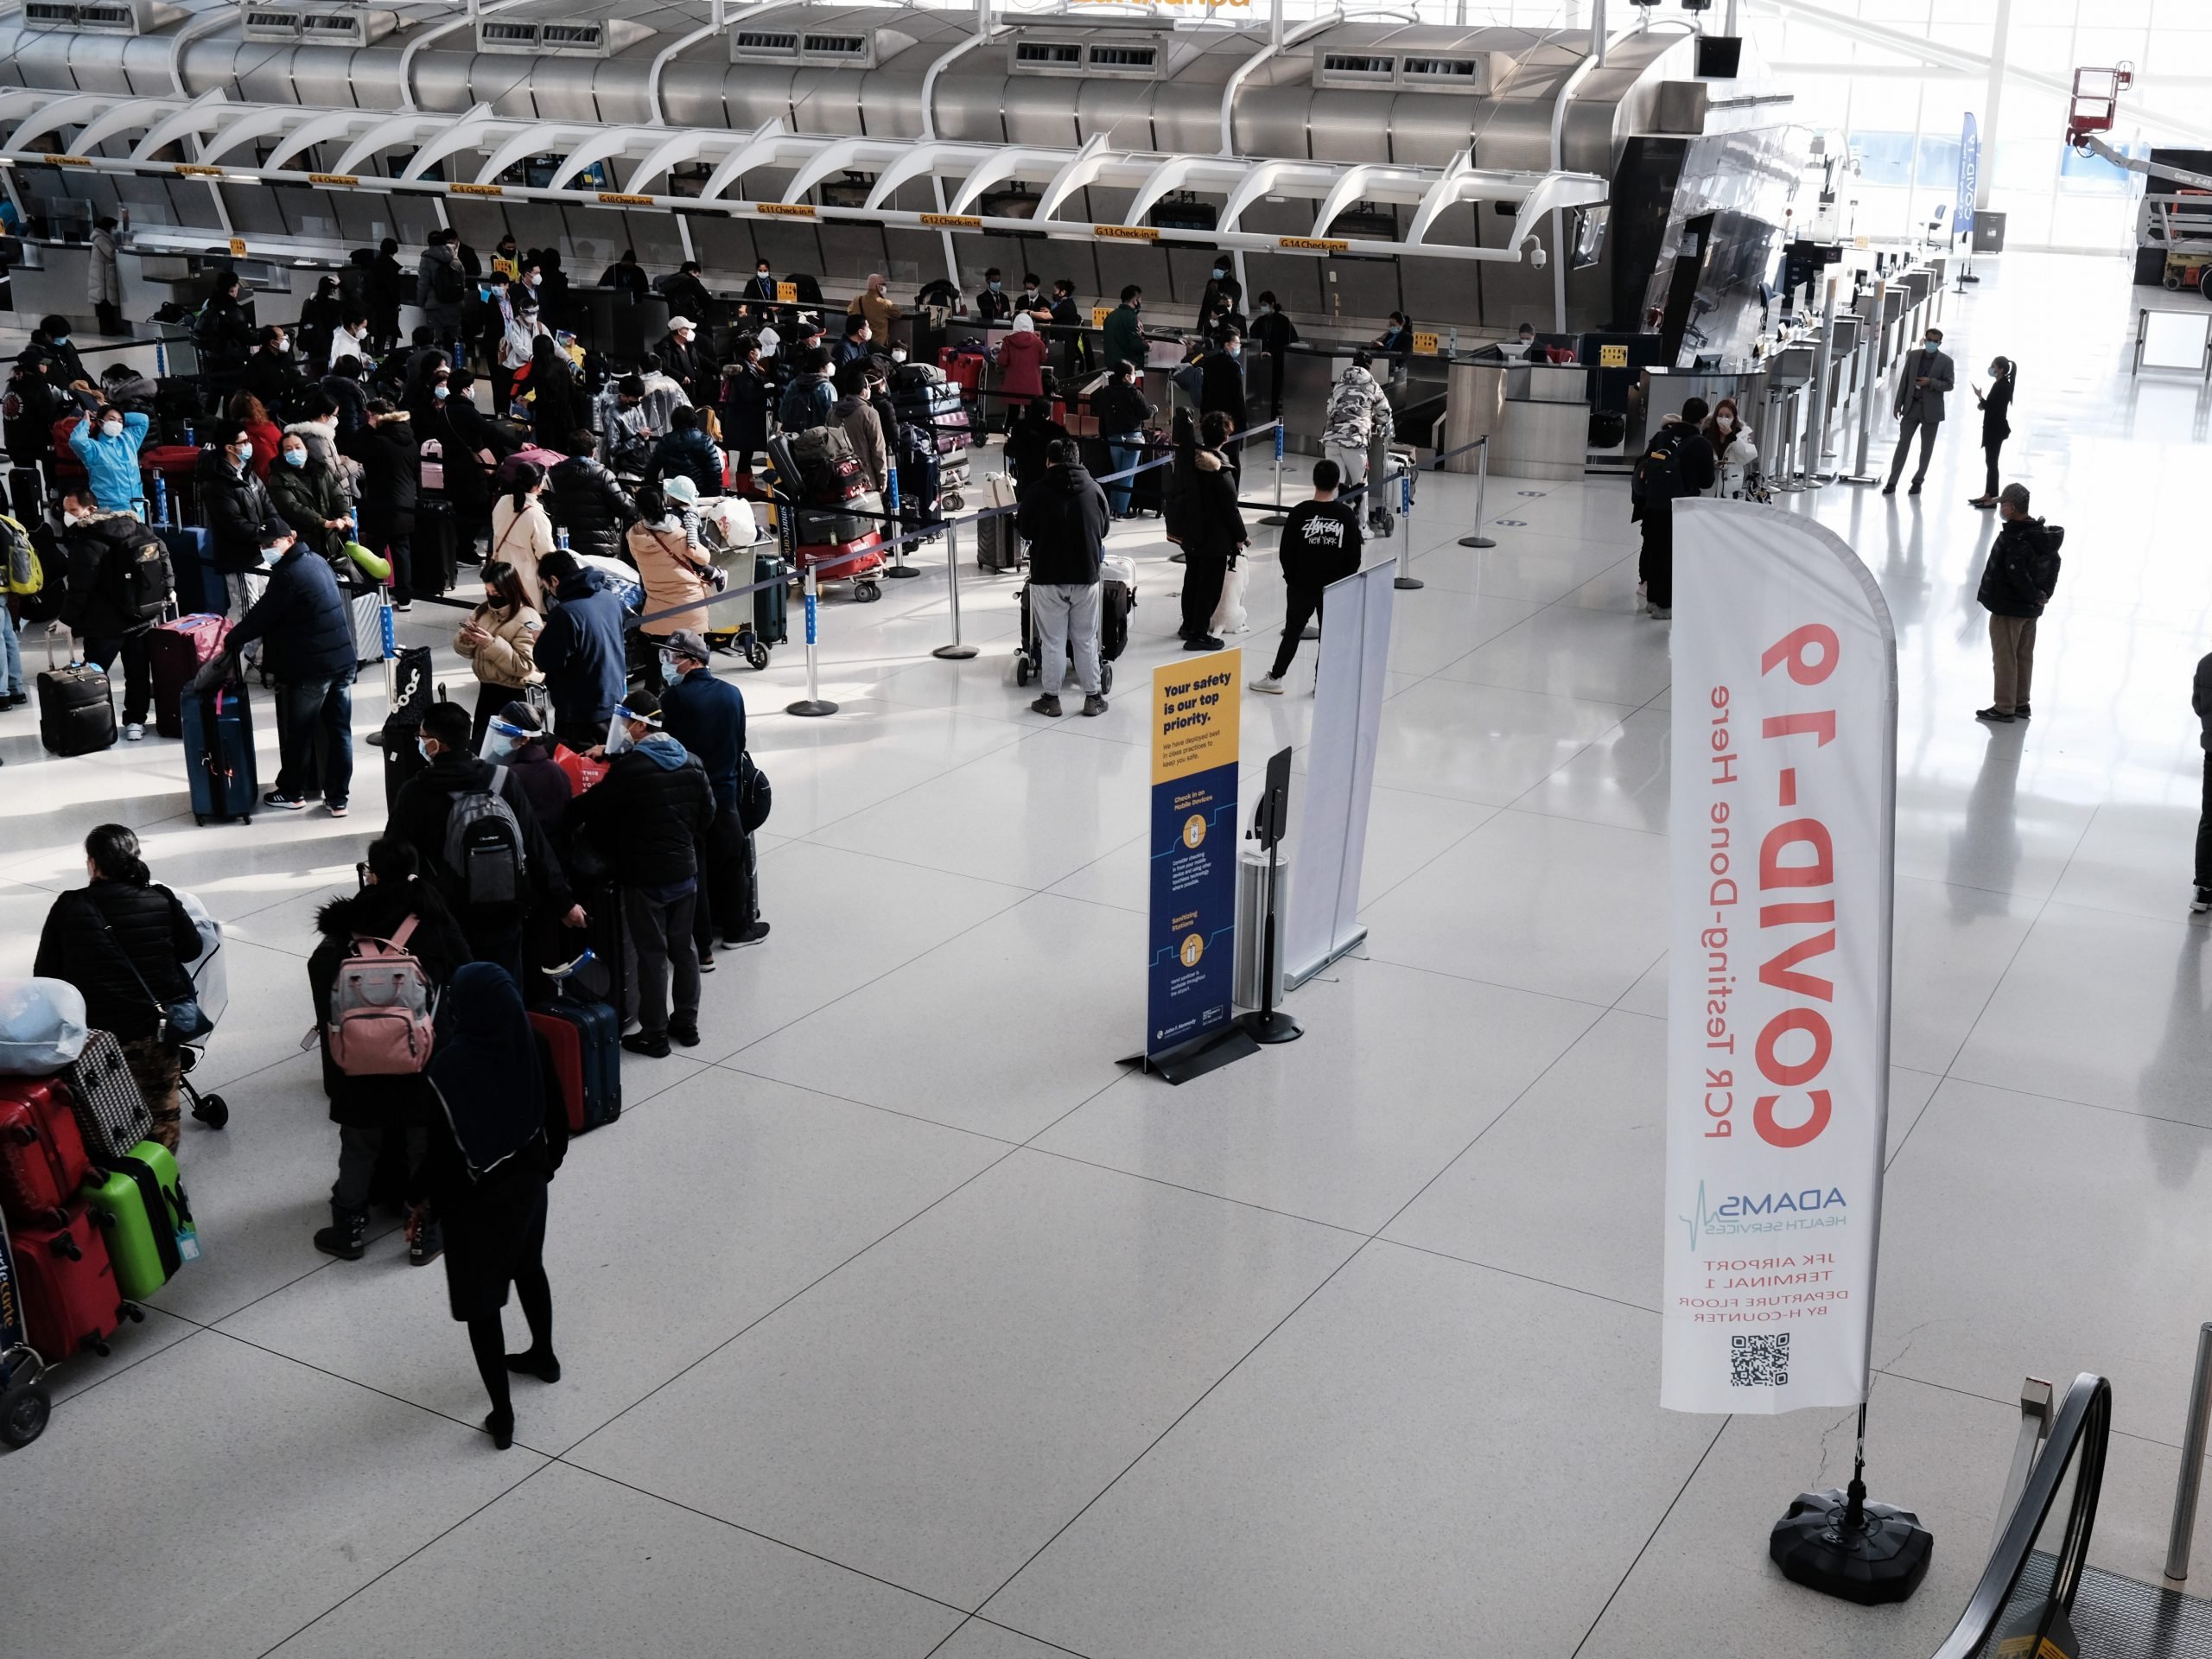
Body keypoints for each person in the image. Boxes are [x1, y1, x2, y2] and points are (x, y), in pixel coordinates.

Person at [417, 960, 565, 1448]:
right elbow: (556, 1118)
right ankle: (543, 1355)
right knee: (530, 1267)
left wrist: (425, 1208)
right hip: (529, 1183)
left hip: (474, 1203)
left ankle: (502, 1416)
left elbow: (440, 1156)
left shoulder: (449, 1068)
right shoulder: (532, 1040)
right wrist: (544, 1167)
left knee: (483, 1307)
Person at [307, 835, 474, 1264]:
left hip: (358, 1057)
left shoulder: (346, 923)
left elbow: (324, 975)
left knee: (359, 1143)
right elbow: (465, 966)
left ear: (373, 872)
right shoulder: (434, 918)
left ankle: (349, 1228)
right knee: (423, 1141)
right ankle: (424, 1232)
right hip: (420, 1053)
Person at [34, 825, 205, 1154]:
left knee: (104, 1117)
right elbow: (191, 950)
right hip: (157, 1029)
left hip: (97, 1036)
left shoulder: (68, 906)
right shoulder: (162, 898)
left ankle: (120, 1179)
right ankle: (161, 1181)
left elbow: (47, 977)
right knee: (162, 1113)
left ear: (93, 864)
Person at [390, 700, 584, 984]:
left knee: (456, 991)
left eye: (422, 737)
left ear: (435, 744)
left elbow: (395, 854)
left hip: (447, 914)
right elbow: (535, 845)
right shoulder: (503, 779)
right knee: (505, 987)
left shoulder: (415, 791)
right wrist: (564, 902)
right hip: (503, 908)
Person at [569, 688, 715, 1057]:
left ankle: (655, 1034)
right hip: (685, 872)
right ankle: (688, 1023)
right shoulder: (693, 762)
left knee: (651, 956)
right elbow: (706, 816)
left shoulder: (630, 770)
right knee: (684, 950)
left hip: (645, 878)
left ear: (636, 725)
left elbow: (595, 812)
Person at [226, 515, 354, 812]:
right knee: (339, 732)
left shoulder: (287, 574)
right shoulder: (317, 560)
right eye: (263, 545)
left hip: (314, 668)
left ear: (290, 539)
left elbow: (262, 616)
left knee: (299, 730)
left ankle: (292, 791)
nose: (267, 549)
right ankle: (338, 799)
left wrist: (232, 638)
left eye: (272, 543)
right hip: (342, 659)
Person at [658, 631, 769, 957]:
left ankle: (703, 945)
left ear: (693, 661)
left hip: (689, 799)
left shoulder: (673, 700)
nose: (667, 664)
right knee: (732, 864)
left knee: (698, 868)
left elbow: (669, 746)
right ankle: (737, 929)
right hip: (726, 792)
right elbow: (740, 742)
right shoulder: (732, 694)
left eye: (672, 658)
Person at [56, 491, 165, 741]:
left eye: (72, 511)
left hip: (104, 623)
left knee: (93, 675)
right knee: (137, 672)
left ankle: (95, 723)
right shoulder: (137, 527)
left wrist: (67, 619)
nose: (67, 517)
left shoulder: (87, 541)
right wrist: (168, 590)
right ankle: (136, 722)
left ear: (91, 509)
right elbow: (163, 557)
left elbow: (79, 587)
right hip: (141, 617)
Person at [1015, 439, 1110, 718]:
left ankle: (1051, 699)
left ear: (1049, 461)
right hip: (1087, 576)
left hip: (1048, 577)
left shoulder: (1037, 492)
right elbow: (1103, 529)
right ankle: (1093, 697)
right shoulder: (1094, 489)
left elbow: (1024, 529)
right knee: (1085, 639)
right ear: (1078, 460)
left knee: (1053, 641)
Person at [1253, 459, 1363, 695]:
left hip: (1301, 586)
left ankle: (1276, 677)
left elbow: (1286, 552)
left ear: (1314, 481)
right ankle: (1322, 684)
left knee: (1293, 631)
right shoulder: (1345, 516)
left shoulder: (1300, 512)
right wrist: (1343, 583)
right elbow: (1354, 557)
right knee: (1330, 636)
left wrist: (1292, 579)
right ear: (1337, 483)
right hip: (1334, 589)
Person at [1975, 482, 2062, 724]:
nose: (2001, 508)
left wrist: (2033, 593)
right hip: (2031, 610)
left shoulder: (2014, 538)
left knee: (2005, 657)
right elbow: (2054, 564)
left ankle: (2004, 707)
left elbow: (2016, 574)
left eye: (2003, 504)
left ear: (2011, 508)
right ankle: (2021, 702)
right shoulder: (2041, 536)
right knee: (2024, 655)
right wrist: (2043, 595)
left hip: (2008, 609)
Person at [1630, 396, 1717, 620]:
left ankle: (1651, 599)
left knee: (1654, 549)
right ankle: (1665, 605)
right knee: (1673, 554)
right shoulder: (1701, 445)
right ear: (1702, 419)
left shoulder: (1661, 436)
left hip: (1653, 502)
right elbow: (1707, 481)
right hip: (1681, 506)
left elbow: (1645, 464)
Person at [533, 550, 627, 751]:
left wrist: (541, 640)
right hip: (612, 697)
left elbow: (547, 662)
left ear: (554, 580)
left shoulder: (565, 612)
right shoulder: (609, 598)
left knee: (578, 769)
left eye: (546, 586)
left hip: (579, 710)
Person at [1170, 410, 1246, 652]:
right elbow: (1230, 510)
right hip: (1214, 538)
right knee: (1209, 586)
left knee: (1192, 579)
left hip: (1191, 532)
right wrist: (1241, 537)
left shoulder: (1190, 459)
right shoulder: (1220, 470)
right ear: (1225, 436)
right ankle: (1200, 633)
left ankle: (1188, 625)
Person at [455, 561, 543, 748]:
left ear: (510, 589)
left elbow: (525, 665)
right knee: (480, 746)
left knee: (505, 749)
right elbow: (462, 650)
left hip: (512, 695)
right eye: (488, 592)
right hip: (486, 690)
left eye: (496, 593)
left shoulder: (528, 618)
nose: (491, 598)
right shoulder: (482, 611)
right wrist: (466, 639)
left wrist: (491, 644)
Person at [344, 398, 421, 610]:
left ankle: (376, 592)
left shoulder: (379, 442)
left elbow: (353, 450)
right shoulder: (412, 441)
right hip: (406, 503)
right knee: (401, 550)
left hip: (382, 502)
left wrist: (368, 428)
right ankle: (405, 598)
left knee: (375, 550)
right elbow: (416, 473)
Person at [198, 423, 278, 622]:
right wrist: (266, 536)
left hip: (261, 553)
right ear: (229, 447)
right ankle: (238, 652)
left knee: (265, 606)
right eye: (244, 442)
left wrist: (279, 531)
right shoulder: (217, 483)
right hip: (239, 559)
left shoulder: (248, 474)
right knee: (245, 611)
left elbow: (268, 506)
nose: (249, 445)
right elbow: (234, 524)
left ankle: (258, 652)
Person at [268, 428, 356, 577]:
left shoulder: (321, 470)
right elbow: (292, 507)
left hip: (328, 539)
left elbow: (337, 495)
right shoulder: (278, 478)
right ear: (282, 454)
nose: (294, 452)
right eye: (288, 449)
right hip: (303, 539)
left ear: (306, 449)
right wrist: (324, 522)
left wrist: (345, 514)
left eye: (298, 447)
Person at [483, 700, 574, 843]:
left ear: (524, 739)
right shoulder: (557, 769)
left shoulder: (509, 776)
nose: (497, 737)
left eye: (504, 733)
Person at [1885, 324, 1955, 495]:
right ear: (1925, 339)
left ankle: (1918, 481)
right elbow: (1905, 380)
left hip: (1931, 411)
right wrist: (1897, 404)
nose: (1931, 344)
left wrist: (1930, 382)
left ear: (1940, 343)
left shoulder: (1946, 362)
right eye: (1929, 340)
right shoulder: (1914, 356)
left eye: (1935, 342)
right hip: (1911, 407)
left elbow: (1949, 385)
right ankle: (1892, 482)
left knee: (1926, 448)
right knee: (1903, 445)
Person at [545, 448, 636, 566]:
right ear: (593, 452)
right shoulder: (604, 475)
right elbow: (625, 509)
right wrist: (629, 498)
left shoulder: (553, 474)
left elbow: (549, 505)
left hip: (566, 545)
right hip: (601, 549)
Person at [488, 458, 557, 611]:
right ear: (538, 485)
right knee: (528, 623)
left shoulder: (503, 502)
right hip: (527, 581)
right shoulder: (537, 516)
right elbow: (546, 555)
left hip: (502, 574)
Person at [1322, 353, 1393, 498]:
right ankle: (1360, 520)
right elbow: (1385, 413)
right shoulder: (1372, 386)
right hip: (1355, 441)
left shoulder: (1339, 384)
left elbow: (1329, 409)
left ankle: (1334, 519)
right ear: (1370, 367)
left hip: (1331, 439)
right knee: (1359, 485)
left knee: (1334, 484)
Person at [67, 404, 149, 514]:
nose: (116, 424)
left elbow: (143, 420)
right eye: (112, 420)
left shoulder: (129, 439)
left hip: (137, 507)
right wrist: (86, 422)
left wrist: (116, 416)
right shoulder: (93, 448)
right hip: (111, 511)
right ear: (100, 423)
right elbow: (76, 441)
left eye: (120, 422)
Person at [1092, 359, 1149, 519]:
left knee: (1117, 474)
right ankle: (1122, 510)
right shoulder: (1134, 393)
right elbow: (1145, 413)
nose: (1134, 377)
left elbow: (1102, 417)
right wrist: (1153, 409)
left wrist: (1104, 435)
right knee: (1127, 476)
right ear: (1126, 377)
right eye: (1132, 374)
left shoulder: (1106, 393)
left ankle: (1112, 508)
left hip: (1113, 438)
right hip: (1133, 438)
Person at [1004, 376, 1071, 493]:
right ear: (1046, 414)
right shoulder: (1055, 430)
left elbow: (1009, 451)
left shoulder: (1019, 427)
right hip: (1050, 480)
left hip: (1025, 478)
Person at [646, 404, 726, 501]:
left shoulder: (665, 442)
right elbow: (715, 474)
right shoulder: (705, 441)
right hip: (699, 497)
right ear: (695, 421)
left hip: (673, 496)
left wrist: (659, 493)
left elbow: (651, 472)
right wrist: (712, 498)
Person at [718, 335, 771, 476]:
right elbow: (749, 395)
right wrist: (770, 390)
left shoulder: (743, 366)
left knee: (746, 453)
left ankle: (746, 483)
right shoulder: (744, 370)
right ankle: (744, 486)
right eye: (758, 350)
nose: (760, 353)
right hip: (744, 418)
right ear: (751, 352)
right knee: (746, 452)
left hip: (740, 417)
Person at [525, 335, 587, 453]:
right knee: (563, 451)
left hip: (547, 420)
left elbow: (542, 399)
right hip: (565, 416)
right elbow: (571, 390)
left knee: (548, 453)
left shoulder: (539, 369)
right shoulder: (562, 364)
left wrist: (529, 405)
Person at [1970, 356, 2017, 510]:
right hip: (1993, 428)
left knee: (1992, 463)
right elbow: (1992, 405)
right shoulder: (1999, 384)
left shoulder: (2002, 386)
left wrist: (1980, 397)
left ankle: (1991, 498)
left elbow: (1992, 407)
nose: (1991, 369)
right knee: (1990, 462)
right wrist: (1982, 403)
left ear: (2001, 369)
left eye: (1993, 366)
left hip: (1996, 429)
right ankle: (1988, 494)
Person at [193, 273, 256, 383]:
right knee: (232, 390)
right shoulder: (233, 310)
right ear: (232, 289)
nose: (238, 288)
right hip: (229, 357)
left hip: (212, 354)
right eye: (237, 285)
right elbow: (244, 336)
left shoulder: (210, 303)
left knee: (215, 391)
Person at [1248, 292, 1298, 417]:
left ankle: (1272, 417)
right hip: (1262, 363)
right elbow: (1253, 338)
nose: (1262, 308)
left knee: (1274, 393)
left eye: (1264, 305)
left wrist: (1272, 352)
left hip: (1277, 363)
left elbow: (1290, 341)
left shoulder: (1283, 321)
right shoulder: (1260, 322)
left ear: (1272, 304)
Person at [241, 325, 308, 418]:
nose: (286, 340)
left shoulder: (284, 357)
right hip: (268, 410)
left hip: (286, 405)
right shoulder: (257, 363)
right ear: (273, 342)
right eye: (282, 338)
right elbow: (252, 389)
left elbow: (291, 375)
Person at [995, 313, 1048, 429]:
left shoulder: (1008, 341)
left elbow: (1002, 362)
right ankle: (1031, 437)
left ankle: (1009, 435)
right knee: (1031, 412)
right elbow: (1043, 358)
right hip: (1032, 385)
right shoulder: (1038, 342)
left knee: (1013, 411)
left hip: (1013, 384)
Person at [776, 345, 836, 433]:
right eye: (828, 363)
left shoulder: (795, 383)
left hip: (793, 434)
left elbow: (782, 411)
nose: (831, 365)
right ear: (821, 368)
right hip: (817, 436)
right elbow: (832, 418)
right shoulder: (826, 388)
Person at [1199, 329, 1249, 432]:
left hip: (1211, 415)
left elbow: (1205, 390)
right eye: (1237, 343)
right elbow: (1238, 395)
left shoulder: (1209, 363)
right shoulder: (1233, 366)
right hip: (1229, 418)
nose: (1239, 346)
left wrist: (1203, 415)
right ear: (1227, 345)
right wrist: (1243, 420)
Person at [660, 316, 715, 410]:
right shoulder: (665, 348)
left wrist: (719, 371)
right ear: (679, 331)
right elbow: (664, 367)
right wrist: (681, 377)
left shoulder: (689, 345)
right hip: (680, 394)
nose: (690, 331)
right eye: (687, 329)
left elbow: (701, 360)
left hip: (695, 390)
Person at [86, 217, 124, 336]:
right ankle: (108, 330)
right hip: (103, 279)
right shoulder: (101, 239)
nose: (114, 230)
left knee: (106, 308)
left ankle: (108, 329)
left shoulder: (100, 238)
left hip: (102, 278)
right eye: (114, 227)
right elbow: (111, 253)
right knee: (106, 307)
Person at [370, 238, 406, 347]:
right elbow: (394, 289)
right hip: (389, 307)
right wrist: (397, 303)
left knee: (379, 335)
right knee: (391, 333)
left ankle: (378, 359)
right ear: (394, 250)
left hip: (376, 306)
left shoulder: (374, 265)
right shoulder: (391, 268)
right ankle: (389, 358)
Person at [1102, 286, 1144, 376]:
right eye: (1139, 299)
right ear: (1135, 301)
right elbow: (1136, 343)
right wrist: (1149, 346)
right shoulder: (1132, 318)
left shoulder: (1110, 317)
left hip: (1111, 367)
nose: (1140, 302)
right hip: (1129, 369)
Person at [661, 261, 712, 327]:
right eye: (696, 275)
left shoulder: (670, 280)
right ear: (691, 271)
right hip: (690, 318)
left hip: (673, 319)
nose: (696, 277)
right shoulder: (690, 281)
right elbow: (706, 298)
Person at [1198, 260, 1242, 334]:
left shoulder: (1234, 286)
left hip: (1225, 326)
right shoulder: (1212, 283)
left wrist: (1217, 313)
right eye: (1215, 268)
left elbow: (1231, 306)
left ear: (1227, 270)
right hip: (1208, 325)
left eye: (1220, 269)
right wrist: (1199, 326)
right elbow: (1205, 305)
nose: (1216, 271)